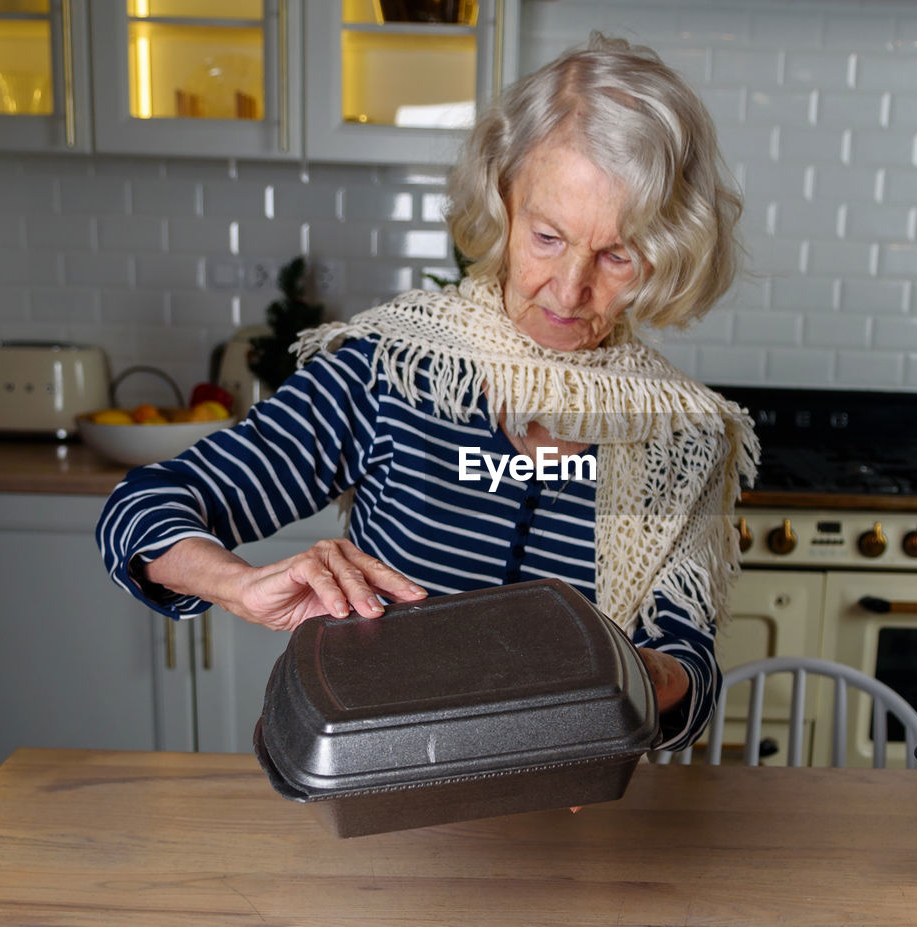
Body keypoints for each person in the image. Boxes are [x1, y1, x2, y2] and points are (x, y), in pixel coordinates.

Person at [97, 33, 757, 754]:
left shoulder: (681, 436)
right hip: (380, 804)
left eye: (616, 254)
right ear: (503, 198)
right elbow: (141, 509)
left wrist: (628, 677)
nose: (570, 290)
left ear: (666, 254)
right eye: (546, 237)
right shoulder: (394, 369)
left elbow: (689, 679)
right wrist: (237, 583)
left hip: (575, 818)